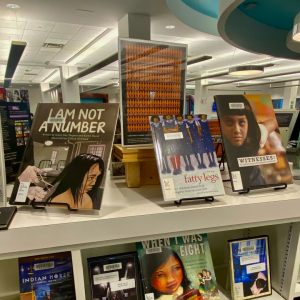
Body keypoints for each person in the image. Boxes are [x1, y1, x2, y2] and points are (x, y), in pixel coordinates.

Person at [217, 95, 278, 189]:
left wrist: (262, 131)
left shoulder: (256, 134)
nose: (236, 130)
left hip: (258, 186)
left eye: (241, 122)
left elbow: (273, 122)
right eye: (229, 122)